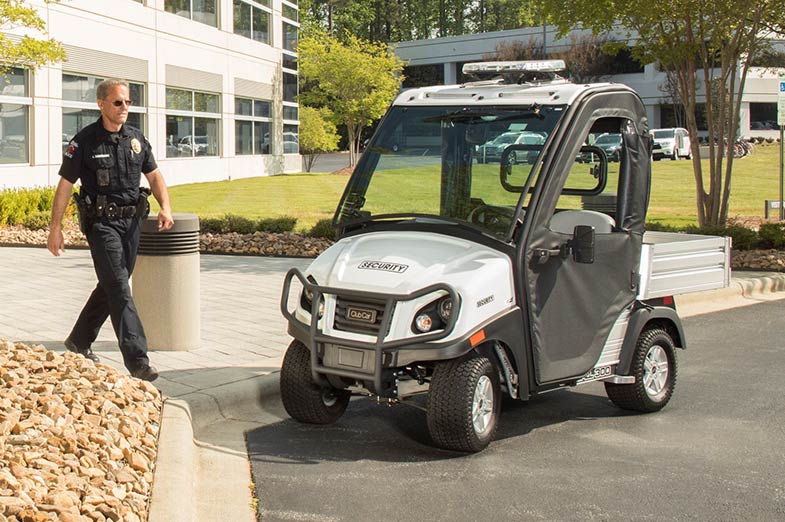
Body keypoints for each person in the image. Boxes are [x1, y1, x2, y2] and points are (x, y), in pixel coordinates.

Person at [47, 78, 174, 382]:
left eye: (128, 102)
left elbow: (154, 176)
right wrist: (55, 228)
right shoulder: (84, 142)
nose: (124, 108)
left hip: (131, 224)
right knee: (119, 286)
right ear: (101, 104)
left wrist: (165, 206)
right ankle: (138, 360)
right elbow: (65, 186)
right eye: (118, 102)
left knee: (111, 284)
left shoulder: (136, 139)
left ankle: (79, 339)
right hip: (101, 225)